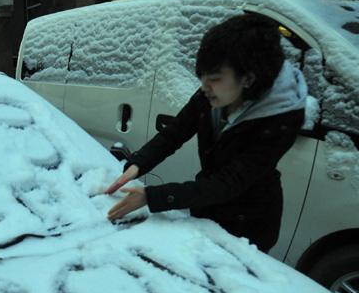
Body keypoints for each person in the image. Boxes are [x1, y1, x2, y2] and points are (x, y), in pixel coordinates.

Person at [105, 14, 308, 253]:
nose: (203, 87)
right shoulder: (212, 95)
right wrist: (138, 164)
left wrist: (153, 197)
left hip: (248, 227)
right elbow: (176, 132)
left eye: (213, 79)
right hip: (205, 212)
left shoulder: (282, 117)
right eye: (201, 77)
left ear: (248, 78)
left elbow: (229, 183)